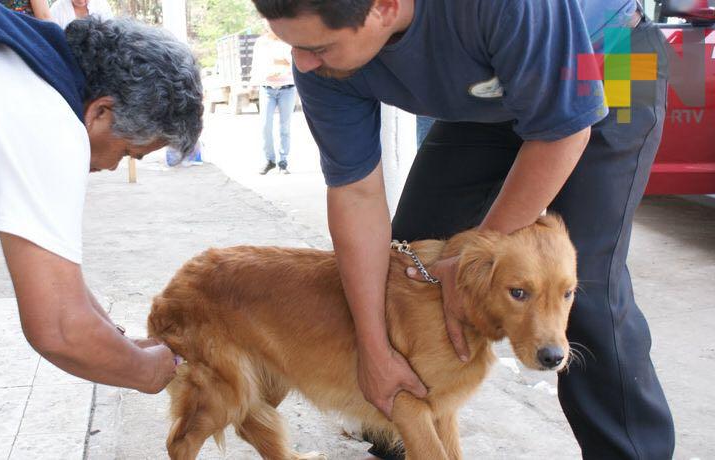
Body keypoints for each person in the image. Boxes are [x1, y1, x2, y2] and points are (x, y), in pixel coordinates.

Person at [250, 0, 674, 458]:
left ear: (385, 8)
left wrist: (473, 256)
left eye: (319, 47)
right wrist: (374, 350)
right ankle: (404, 429)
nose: (302, 63)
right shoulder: (316, 61)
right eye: (293, 44)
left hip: (612, 55)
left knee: (584, 290)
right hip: (487, 98)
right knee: (414, 270)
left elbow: (561, 134)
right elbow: (356, 195)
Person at [0, 1, 203, 458]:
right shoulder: (46, 117)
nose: (110, 167)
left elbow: (58, 277)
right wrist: (148, 372)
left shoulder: (31, 63)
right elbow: (60, 330)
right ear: (102, 112)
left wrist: (118, 339)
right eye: (128, 152)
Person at [250, 29, 296, 175]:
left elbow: (294, 61)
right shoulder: (261, 42)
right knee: (265, 125)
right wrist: (253, 82)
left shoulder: (288, 39)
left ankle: (283, 162)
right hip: (267, 88)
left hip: (287, 88)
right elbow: (256, 64)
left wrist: (282, 62)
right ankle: (269, 160)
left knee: (285, 126)